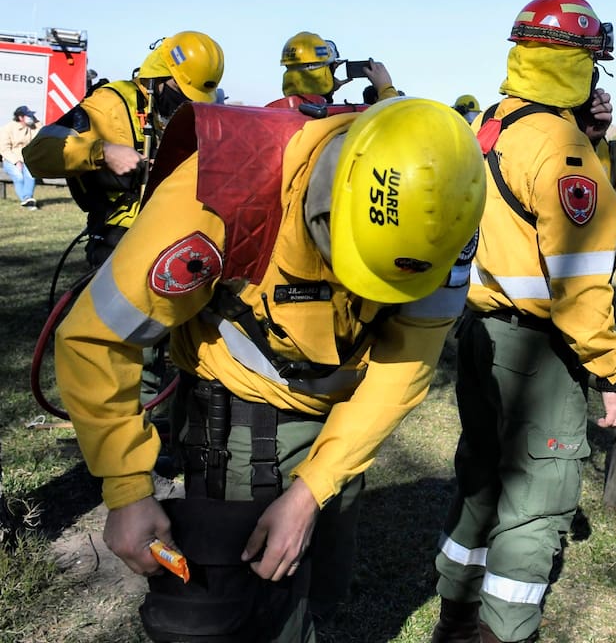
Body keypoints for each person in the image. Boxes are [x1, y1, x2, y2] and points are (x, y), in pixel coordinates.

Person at [54, 96, 486, 642]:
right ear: (325, 208)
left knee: (316, 589)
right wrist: (127, 489)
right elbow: (96, 337)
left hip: (343, 425)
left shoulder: (445, 221)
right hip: (240, 428)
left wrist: (311, 491)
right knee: (248, 613)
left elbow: (404, 368)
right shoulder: (218, 195)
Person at [430, 0, 616, 643]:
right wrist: (613, 376)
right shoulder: (564, 149)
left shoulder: (494, 123)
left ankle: (456, 621)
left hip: (478, 334)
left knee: (481, 480)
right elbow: (580, 289)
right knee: (535, 506)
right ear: (581, 63)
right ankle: (503, 630)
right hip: (538, 353)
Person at [24, 31, 225, 265]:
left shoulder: (175, 113)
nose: (185, 100)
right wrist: (104, 153)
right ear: (160, 73)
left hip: (172, 235)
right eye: (179, 89)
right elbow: (36, 154)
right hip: (119, 238)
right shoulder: (110, 104)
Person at [277, 31, 399, 107]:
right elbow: (393, 121)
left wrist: (328, 93)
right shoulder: (340, 120)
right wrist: (386, 88)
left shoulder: (275, 112)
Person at [2, 105, 40, 208]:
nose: (31, 118)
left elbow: (41, 136)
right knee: (18, 177)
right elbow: (4, 149)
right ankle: (27, 199)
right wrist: (16, 162)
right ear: (20, 117)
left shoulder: (35, 126)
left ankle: (27, 199)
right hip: (11, 160)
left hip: (28, 159)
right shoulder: (7, 129)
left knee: (31, 175)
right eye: (28, 116)